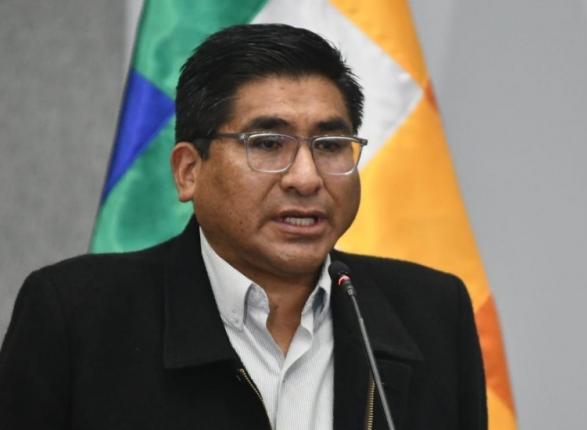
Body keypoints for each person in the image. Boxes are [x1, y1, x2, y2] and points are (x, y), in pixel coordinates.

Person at [0, 24, 486, 430]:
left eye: (330, 145)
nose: (306, 178)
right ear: (189, 171)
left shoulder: (430, 313)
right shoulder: (78, 316)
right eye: (268, 143)